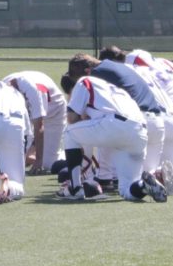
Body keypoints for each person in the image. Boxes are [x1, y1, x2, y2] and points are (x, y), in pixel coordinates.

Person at [57, 74, 167, 203]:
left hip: (116, 124)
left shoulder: (84, 80)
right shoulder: (115, 89)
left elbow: (71, 119)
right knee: (126, 191)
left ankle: (75, 189)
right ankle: (144, 186)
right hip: (140, 131)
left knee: (69, 132)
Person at [2, 70, 67, 174]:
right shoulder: (2, 87)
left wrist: (39, 160)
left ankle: (72, 154)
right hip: (33, 111)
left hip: (54, 110)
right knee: (26, 157)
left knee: (48, 163)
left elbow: (39, 127)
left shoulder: (33, 91)